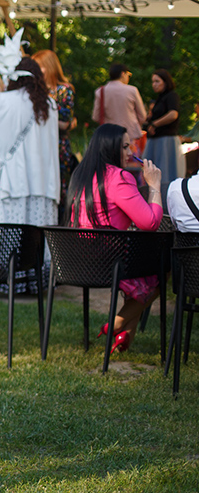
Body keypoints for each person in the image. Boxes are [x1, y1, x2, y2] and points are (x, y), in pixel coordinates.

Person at [67, 124, 163, 353]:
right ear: (110, 148)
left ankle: (125, 336)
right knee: (165, 266)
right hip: (109, 263)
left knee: (145, 266)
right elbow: (150, 223)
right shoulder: (119, 177)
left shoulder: (80, 175)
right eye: (125, 147)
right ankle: (116, 324)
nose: (132, 152)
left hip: (76, 261)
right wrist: (154, 186)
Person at [0, 54, 60, 229]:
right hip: (43, 183)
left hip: (10, 181)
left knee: (7, 238)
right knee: (36, 238)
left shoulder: (3, 100)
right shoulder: (50, 105)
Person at [31, 49, 77, 205]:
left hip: (57, 146)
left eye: (39, 67)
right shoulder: (36, 90)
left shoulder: (63, 90)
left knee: (58, 190)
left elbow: (65, 123)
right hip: (38, 145)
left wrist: (41, 119)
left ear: (49, 67)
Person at [142, 69, 184, 204]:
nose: (154, 84)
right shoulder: (160, 98)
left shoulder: (172, 96)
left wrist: (155, 124)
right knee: (152, 172)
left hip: (166, 140)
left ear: (165, 82)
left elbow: (173, 114)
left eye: (157, 81)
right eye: (152, 82)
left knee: (166, 173)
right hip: (155, 140)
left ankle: (167, 204)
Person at [93, 63, 147, 157]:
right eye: (128, 75)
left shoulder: (100, 91)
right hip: (130, 137)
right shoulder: (132, 90)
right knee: (130, 163)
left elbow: (96, 117)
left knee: (111, 163)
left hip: (109, 137)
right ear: (123, 74)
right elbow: (142, 116)